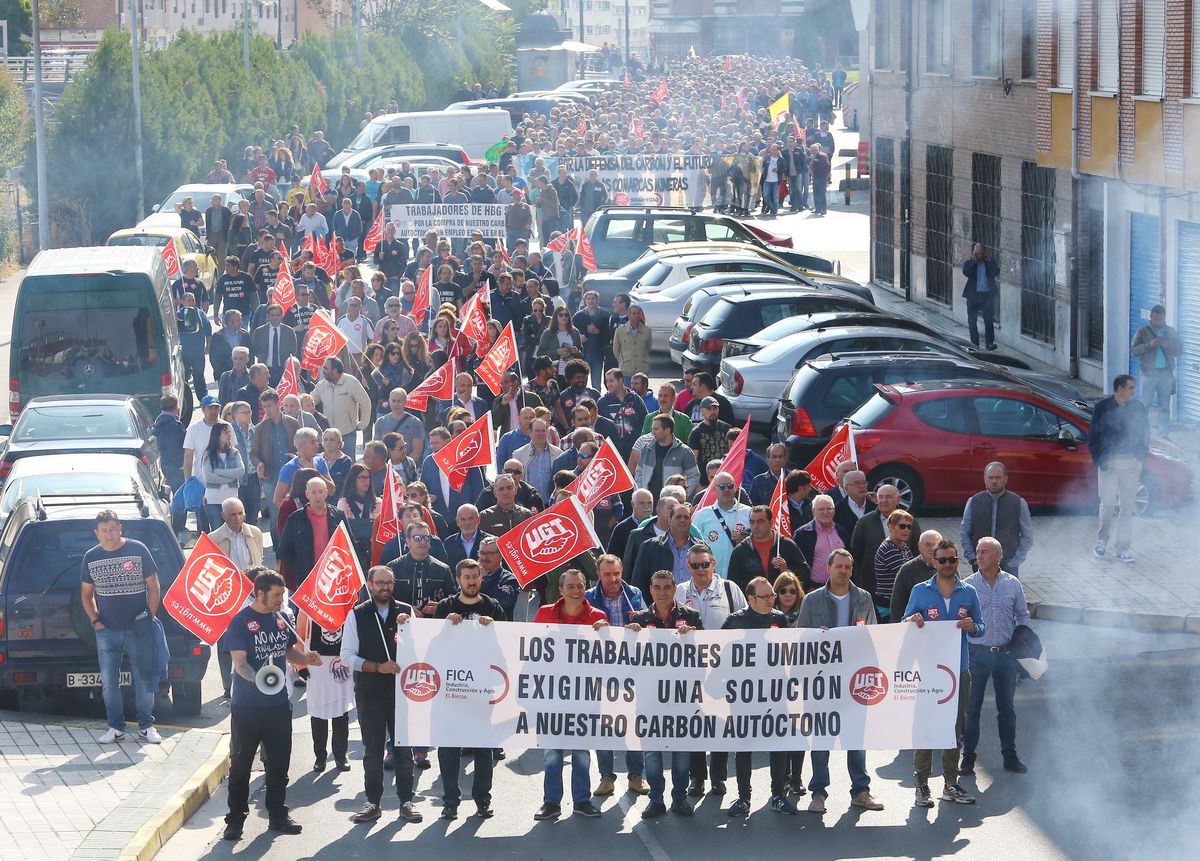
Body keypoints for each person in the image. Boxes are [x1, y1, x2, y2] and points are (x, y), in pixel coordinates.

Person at [223, 568, 321, 840]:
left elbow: (289, 651)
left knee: (279, 763)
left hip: (279, 704)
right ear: (259, 593)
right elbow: (239, 662)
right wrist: (258, 680)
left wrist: (306, 658)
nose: (281, 599)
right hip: (248, 706)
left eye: (283, 594)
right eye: (276, 595)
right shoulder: (241, 622)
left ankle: (277, 815)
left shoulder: (282, 618)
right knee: (241, 763)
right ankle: (235, 820)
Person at [795, 548, 884, 814]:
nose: (843, 571)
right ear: (828, 569)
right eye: (839, 566)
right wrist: (815, 637)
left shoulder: (863, 598)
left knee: (856, 738)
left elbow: (874, 636)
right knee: (821, 740)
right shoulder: (812, 600)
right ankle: (818, 793)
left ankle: (861, 791)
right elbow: (800, 637)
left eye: (848, 567)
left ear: (851, 570)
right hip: (821, 683)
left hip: (853, 679)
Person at [903, 539, 984, 808]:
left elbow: (980, 627)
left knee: (954, 728)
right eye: (943, 560)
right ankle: (922, 785)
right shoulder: (920, 591)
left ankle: (951, 783)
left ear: (957, 561)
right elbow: (904, 622)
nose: (948, 564)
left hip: (958, 670)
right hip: (927, 671)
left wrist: (972, 626)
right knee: (926, 728)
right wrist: (912, 621)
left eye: (952, 559)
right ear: (933, 562)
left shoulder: (969, 592)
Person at [340, 566, 423, 824]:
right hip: (370, 692)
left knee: (403, 751)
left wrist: (409, 631)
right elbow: (347, 656)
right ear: (369, 584)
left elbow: (422, 648)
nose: (385, 587)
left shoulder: (407, 611)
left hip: (402, 693)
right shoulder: (357, 614)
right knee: (372, 751)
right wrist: (377, 667)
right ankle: (373, 803)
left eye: (389, 583)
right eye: (380, 583)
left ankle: (406, 802)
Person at [531, 569, 609, 821]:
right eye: (571, 586)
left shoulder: (598, 617)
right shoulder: (544, 613)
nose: (576, 591)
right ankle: (551, 802)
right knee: (552, 751)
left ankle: (581, 800)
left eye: (581, 586)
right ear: (561, 590)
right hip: (552, 694)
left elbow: (608, 657)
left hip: (586, 695)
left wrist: (606, 634)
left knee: (581, 750)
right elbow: (532, 649)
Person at [80, 510, 162, 745]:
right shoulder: (91, 557)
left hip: (139, 626)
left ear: (121, 528)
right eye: (104, 530)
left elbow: (154, 586)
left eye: (113, 529)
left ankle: (146, 726)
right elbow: (86, 594)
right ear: (96, 533)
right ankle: (115, 728)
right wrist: (95, 620)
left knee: (144, 678)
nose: (109, 534)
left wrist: (149, 616)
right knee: (109, 682)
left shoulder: (138, 549)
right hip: (107, 630)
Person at [433, 559, 506, 819]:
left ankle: (482, 800)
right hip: (451, 691)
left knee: (483, 749)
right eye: (467, 577)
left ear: (481, 578)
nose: (472, 581)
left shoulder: (492, 607)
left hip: (482, 691)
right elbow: (432, 649)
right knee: (449, 749)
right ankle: (450, 801)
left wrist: (494, 628)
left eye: (476, 576)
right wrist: (444, 627)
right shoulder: (445, 607)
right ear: (458, 580)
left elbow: (506, 646)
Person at [626, 569, 701, 818]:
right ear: (650, 589)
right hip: (649, 699)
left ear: (674, 589)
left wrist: (695, 636)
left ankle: (679, 798)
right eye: (657, 587)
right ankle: (656, 799)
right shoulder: (639, 619)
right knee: (652, 752)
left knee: (681, 752)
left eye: (667, 587)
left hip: (682, 697)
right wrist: (629, 636)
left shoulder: (691, 616)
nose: (662, 592)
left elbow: (706, 654)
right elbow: (627, 660)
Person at [676, 543, 746, 798]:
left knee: (719, 723)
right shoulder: (679, 591)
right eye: (695, 565)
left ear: (714, 564)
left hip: (723, 668)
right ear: (687, 566)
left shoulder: (730, 589)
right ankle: (697, 778)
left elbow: (744, 624)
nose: (700, 570)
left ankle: (718, 777)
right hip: (691, 668)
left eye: (705, 564)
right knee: (695, 723)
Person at [721, 576, 793, 817]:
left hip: (774, 693)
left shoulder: (779, 619)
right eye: (766, 597)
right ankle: (743, 798)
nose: (771, 599)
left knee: (779, 744)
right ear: (750, 599)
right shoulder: (734, 622)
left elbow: (793, 653)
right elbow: (719, 654)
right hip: (744, 695)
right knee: (743, 747)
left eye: (773, 594)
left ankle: (778, 795)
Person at [962, 537, 1032, 777]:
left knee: (1007, 709)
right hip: (976, 654)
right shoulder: (968, 585)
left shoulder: (1013, 584)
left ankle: (1010, 756)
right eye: (978, 552)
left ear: (998, 557)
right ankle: (968, 758)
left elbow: (1022, 616)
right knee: (972, 709)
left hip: (1005, 655)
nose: (979, 556)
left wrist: (1020, 644)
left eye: (985, 552)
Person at [583, 555, 649, 798]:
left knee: (632, 727)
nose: (613, 579)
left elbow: (646, 623)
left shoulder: (634, 594)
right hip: (601, 673)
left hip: (631, 671)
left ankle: (636, 776)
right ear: (599, 575)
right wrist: (593, 628)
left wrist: (638, 626)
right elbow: (579, 631)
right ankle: (607, 777)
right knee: (604, 729)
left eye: (616, 573)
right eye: (607, 574)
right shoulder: (589, 597)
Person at [1088, 374, 1149, 563]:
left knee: (1127, 507)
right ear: (1120, 389)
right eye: (1130, 388)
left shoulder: (1137, 407)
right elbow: (1093, 435)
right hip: (1110, 462)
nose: (1133, 391)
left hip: (1131, 463)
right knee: (1107, 505)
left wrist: (1141, 457)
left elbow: (1145, 432)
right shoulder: (1102, 407)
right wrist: (1099, 459)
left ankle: (1122, 547)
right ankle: (1102, 540)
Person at [849, 483, 920, 606]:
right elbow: (856, 553)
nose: (883, 500)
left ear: (898, 499)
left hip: (904, 592)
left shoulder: (910, 522)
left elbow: (916, 552)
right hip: (873, 589)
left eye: (888, 497)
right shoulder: (865, 522)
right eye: (880, 497)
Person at [959, 462, 1034, 576]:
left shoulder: (1018, 503)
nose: (994, 481)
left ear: (1005, 479)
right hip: (980, 565)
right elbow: (965, 532)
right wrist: (973, 559)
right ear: (985, 479)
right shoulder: (973, 502)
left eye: (998, 478)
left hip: (1008, 566)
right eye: (991, 477)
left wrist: (1015, 561)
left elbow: (1027, 535)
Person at [277, 476, 348, 587]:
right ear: (307, 494)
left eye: (320, 492)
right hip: (306, 579)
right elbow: (284, 550)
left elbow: (349, 545)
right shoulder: (295, 519)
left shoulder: (338, 515)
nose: (317, 496)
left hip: (333, 577)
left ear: (326, 493)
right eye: (313, 492)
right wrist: (299, 569)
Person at [1130, 303, 1182, 438]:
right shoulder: (1143, 331)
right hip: (1148, 375)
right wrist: (1149, 345)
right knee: (1144, 405)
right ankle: (1140, 433)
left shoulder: (1171, 332)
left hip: (1165, 375)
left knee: (1164, 407)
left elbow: (1179, 351)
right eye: (1156, 319)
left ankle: (1163, 434)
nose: (1158, 322)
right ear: (1151, 317)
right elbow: (1134, 351)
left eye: (1161, 319)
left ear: (1164, 318)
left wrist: (1168, 345)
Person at [728, 505, 808, 592]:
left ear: (771, 523)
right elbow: (733, 584)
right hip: (753, 602)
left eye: (760, 522)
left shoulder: (787, 545)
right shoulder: (740, 551)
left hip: (782, 601)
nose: (755, 526)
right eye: (752, 522)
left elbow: (806, 574)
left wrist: (786, 570)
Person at [386, 521, 454, 618]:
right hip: (402, 624)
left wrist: (440, 607)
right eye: (417, 538)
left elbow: (453, 599)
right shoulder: (393, 567)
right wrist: (405, 609)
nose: (422, 542)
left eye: (426, 538)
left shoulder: (443, 569)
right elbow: (385, 598)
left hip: (432, 625)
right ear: (408, 541)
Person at [692, 471, 751, 578]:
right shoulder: (702, 515)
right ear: (714, 489)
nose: (726, 490)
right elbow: (693, 546)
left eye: (730, 486)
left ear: (735, 488)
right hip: (710, 577)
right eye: (722, 487)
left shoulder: (749, 513)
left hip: (741, 576)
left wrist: (744, 540)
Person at [312, 356, 373, 458]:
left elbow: (365, 402)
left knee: (349, 466)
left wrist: (363, 424)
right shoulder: (321, 385)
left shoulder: (351, 382)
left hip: (347, 434)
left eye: (326, 368)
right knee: (329, 466)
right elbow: (311, 400)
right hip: (328, 435)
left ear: (335, 370)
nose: (323, 371)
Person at [632, 415, 700, 500]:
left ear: (667, 430)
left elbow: (694, 476)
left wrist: (681, 495)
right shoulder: (646, 449)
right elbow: (639, 473)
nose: (652, 432)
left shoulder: (684, 451)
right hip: (649, 502)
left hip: (672, 504)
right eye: (652, 429)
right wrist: (640, 494)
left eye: (656, 429)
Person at [890, 529, 942, 623]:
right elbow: (897, 607)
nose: (932, 548)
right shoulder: (907, 570)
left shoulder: (948, 567)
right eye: (928, 544)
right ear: (919, 546)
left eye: (936, 545)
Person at [872, 509, 915, 619]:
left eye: (909, 527)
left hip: (899, 601)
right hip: (887, 605)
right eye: (902, 526)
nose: (906, 530)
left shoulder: (903, 546)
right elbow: (908, 575)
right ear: (890, 526)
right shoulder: (889, 549)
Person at [961, 243, 1000, 350]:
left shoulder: (989, 263)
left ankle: (989, 344)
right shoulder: (969, 263)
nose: (980, 256)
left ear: (985, 253)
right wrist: (974, 262)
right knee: (972, 321)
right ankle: (974, 344)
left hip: (987, 296)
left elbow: (996, 272)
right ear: (973, 253)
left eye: (981, 253)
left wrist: (989, 260)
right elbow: (967, 273)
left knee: (988, 320)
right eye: (977, 254)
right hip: (973, 296)